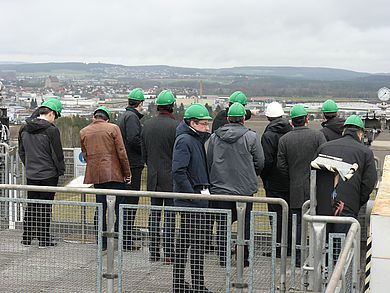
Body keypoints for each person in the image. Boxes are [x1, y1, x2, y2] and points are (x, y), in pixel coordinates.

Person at [207, 102, 264, 267]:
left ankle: (223, 259)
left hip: (219, 188)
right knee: (245, 224)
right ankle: (244, 258)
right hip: (244, 190)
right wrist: (251, 173)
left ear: (227, 118)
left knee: (223, 224)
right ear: (243, 120)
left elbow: (209, 161)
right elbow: (260, 161)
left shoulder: (214, 137)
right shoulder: (251, 137)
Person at [277, 104, 326, 265]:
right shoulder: (318, 136)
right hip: (317, 187)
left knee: (297, 224)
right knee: (317, 223)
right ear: (306, 119)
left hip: (295, 188)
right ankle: (317, 257)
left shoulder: (284, 140)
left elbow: (281, 166)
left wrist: (292, 178)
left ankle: (298, 258)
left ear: (292, 122)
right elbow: (325, 161)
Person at [172, 104, 213, 293]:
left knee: (187, 243)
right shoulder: (185, 141)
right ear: (193, 123)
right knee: (195, 244)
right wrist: (191, 196)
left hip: (195, 198)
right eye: (204, 124)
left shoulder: (192, 139)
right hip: (192, 200)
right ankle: (194, 285)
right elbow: (178, 171)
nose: (207, 128)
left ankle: (182, 283)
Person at [80, 106, 131, 251]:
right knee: (120, 209)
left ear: (94, 117)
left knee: (100, 209)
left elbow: (85, 155)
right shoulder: (113, 128)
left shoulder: (84, 131)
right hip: (115, 174)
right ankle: (124, 242)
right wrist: (127, 173)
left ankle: (101, 242)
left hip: (97, 176)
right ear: (106, 118)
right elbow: (121, 152)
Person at [315, 115, 377, 233]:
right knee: (344, 246)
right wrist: (358, 202)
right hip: (348, 207)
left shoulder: (324, 147)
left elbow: (313, 175)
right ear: (360, 133)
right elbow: (369, 182)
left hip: (324, 207)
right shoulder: (365, 152)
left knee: (321, 245)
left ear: (344, 130)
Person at [18, 98, 65, 247]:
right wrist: (60, 171)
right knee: (45, 207)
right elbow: (57, 155)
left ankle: (27, 237)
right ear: (51, 113)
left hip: (31, 174)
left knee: (31, 205)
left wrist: (29, 166)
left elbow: (22, 152)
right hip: (49, 175)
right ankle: (44, 239)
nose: (55, 120)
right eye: (55, 116)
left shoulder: (24, 128)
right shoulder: (51, 130)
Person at [142, 90, 179, 263]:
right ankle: (170, 253)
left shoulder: (147, 125)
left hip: (153, 176)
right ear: (171, 106)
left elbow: (144, 153)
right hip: (171, 178)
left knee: (154, 216)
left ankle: (154, 252)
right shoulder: (176, 127)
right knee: (170, 218)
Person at [260, 102, 292, 257]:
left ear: (268, 116)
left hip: (273, 181)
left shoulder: (268, 135)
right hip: (290, 181)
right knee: (290, 215)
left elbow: (266, 161)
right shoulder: (291, 131)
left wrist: (264, 177)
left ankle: (279, 248)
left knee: (276, 216)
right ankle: (291, 247)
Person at [117, 88, 145, 249]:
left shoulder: (124, 116)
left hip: (126, 163)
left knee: (125, 201)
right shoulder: (132, 117)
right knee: (131, 202)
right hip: (132, 164)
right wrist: (145, 152)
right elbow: (134, 139)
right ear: (140, 103)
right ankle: (126, 240)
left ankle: (125, 236)